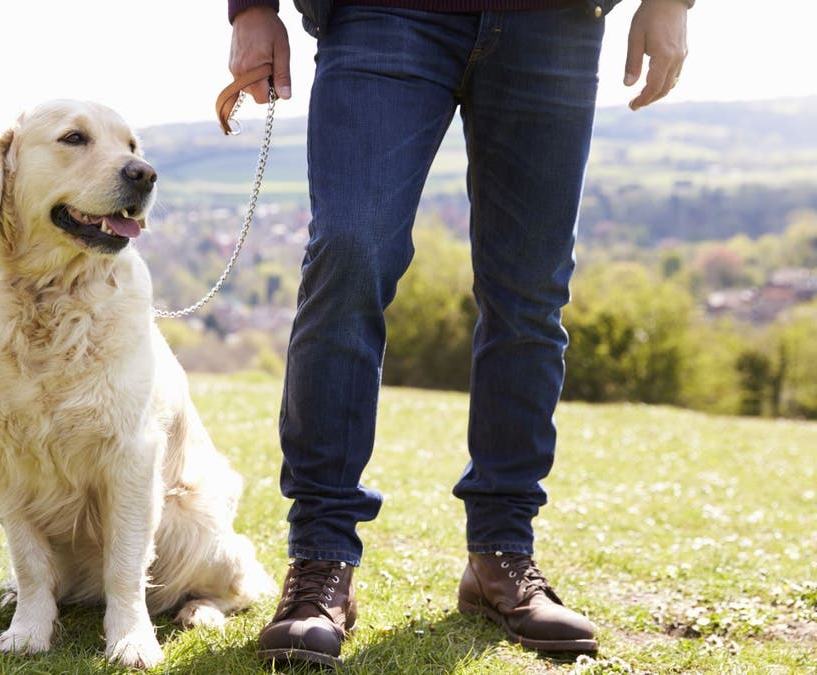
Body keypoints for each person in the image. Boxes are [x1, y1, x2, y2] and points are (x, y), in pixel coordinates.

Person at [227, 0, 690, 667]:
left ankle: (501, 553)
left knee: (529, 293)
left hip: (553, 21)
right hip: (381, 14)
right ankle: (320, 561)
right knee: (349, 254)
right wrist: (251, 9)